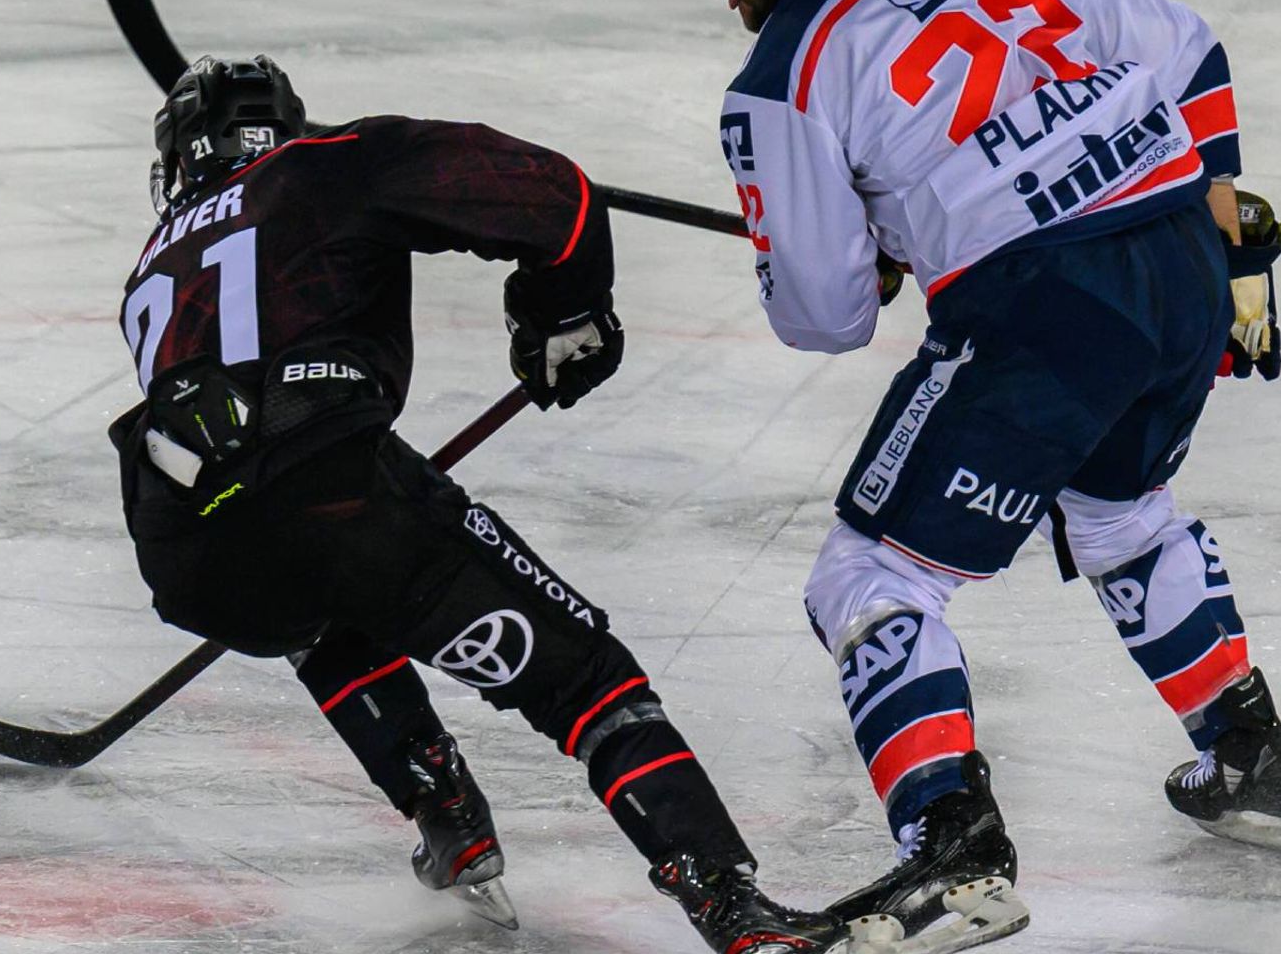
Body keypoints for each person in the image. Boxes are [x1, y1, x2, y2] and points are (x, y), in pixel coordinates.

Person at [659, 0, 1281, 949]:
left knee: (867, 573)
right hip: (1175, 258)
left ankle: (952, 845)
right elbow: (1187, 47)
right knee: (1121, 509)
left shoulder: (781, 75)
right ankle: (1247, 750)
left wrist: (864, 255)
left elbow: (821, 316)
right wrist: (1224, 229)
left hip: (1044, 305)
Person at [110, 55, 849, 952]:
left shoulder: (153, 262)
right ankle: (733, 909)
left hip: (187, 554)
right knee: (585, 680)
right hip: (333, 493)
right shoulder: (329, 161)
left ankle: (441, 806)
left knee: (316, 600)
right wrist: (563, 312)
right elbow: (559, 198)